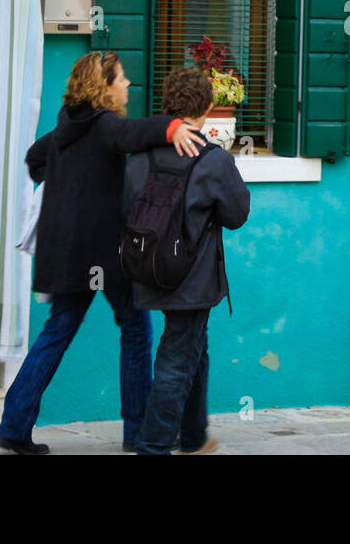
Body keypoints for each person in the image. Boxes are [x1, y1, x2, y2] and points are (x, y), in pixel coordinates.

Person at [0, 51, 205, 455]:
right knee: (136, 332)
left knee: (56, 334)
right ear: (104, 86)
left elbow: (36, 159)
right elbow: (135, 134)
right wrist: (175, 126)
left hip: (65, 253)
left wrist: (67, 188)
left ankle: (14, 427)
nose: (127, 85)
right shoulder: (106, 125)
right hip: (104, 256)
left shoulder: (68, 126)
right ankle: (137, 432)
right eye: (121, 79)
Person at [124, 66, 250, 455]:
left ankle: (193, 436)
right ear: (210, 106)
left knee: (194, 348)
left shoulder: (139, 154)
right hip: (191, 279)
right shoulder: (211, 159)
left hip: (146, 268)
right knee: (177, 360)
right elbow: (236, 214)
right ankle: (155, 445)